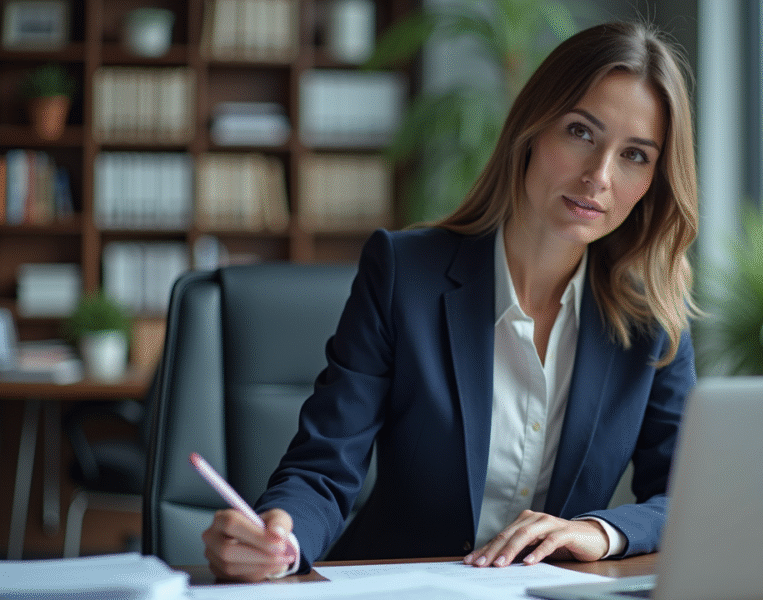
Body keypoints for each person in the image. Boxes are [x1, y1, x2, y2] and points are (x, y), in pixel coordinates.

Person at [201, 20, 699, 582]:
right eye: (580, 132)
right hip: (398, 587)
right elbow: (324, 467)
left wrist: (598, 531)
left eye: (635, 155)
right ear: (532, 130)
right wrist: (281, 538)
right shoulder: (403, 274)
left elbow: (688, 496)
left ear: (654, 180)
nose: (599, 176)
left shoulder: (651, 316)